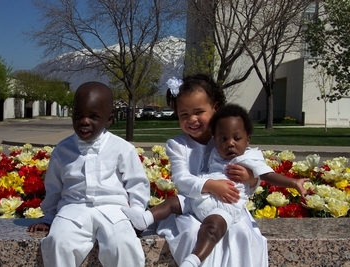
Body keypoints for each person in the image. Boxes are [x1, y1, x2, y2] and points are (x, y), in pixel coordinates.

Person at [123, 103, 309, 267]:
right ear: (215, 138)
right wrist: (211, 184)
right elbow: (182, 178)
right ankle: (144, 220)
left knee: (212, 229)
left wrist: (291, 182)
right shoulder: (212, 150)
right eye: (223, 139)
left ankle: (194, 259)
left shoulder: (249, 157)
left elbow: (268, 175)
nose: (229, 144)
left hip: (225, 206)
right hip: (198, 199)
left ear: (248, 139)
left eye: (236, 139)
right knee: (173, 202)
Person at [27, 81, 150, 267]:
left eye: (94, 116)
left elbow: (136, 184)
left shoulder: (122, 149)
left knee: (123, 245)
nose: (84, 121)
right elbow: (54, 187)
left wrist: (137, 216)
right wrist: (49, 217)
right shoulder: (62, 150)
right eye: (78, 115)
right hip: (72, 209)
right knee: (58, 243)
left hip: (114, 211)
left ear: (109, 119)